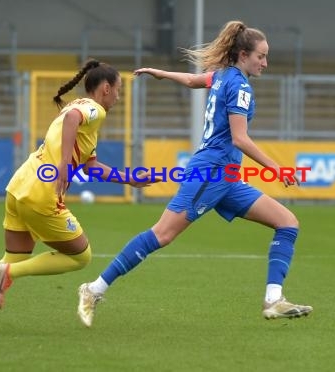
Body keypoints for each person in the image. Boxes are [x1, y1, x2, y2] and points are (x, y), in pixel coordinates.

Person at [77, 21, 313, 327]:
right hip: (211, 173)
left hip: (226, 178)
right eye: (261, 56)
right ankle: (94, 289)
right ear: (243, 54)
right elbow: (240, 138)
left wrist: (161, 74)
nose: (265, 63)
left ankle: (273, 300)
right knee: (162, 234)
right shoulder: (239, 85)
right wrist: (276, 168)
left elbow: (192, 80)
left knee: (287, 223)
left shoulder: (224, 75)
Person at [0, 59, 157, 332]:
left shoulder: (78, 107)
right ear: (105, 88)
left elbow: (90, 165)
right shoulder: (93, 110)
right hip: (42, 193)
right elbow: (71, 122)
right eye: (118, 90)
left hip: (19, 186)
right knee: (81, 256)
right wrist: (62, 166)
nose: (118, 97)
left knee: (12, 258)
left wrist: (128, 178)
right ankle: (9, 275)